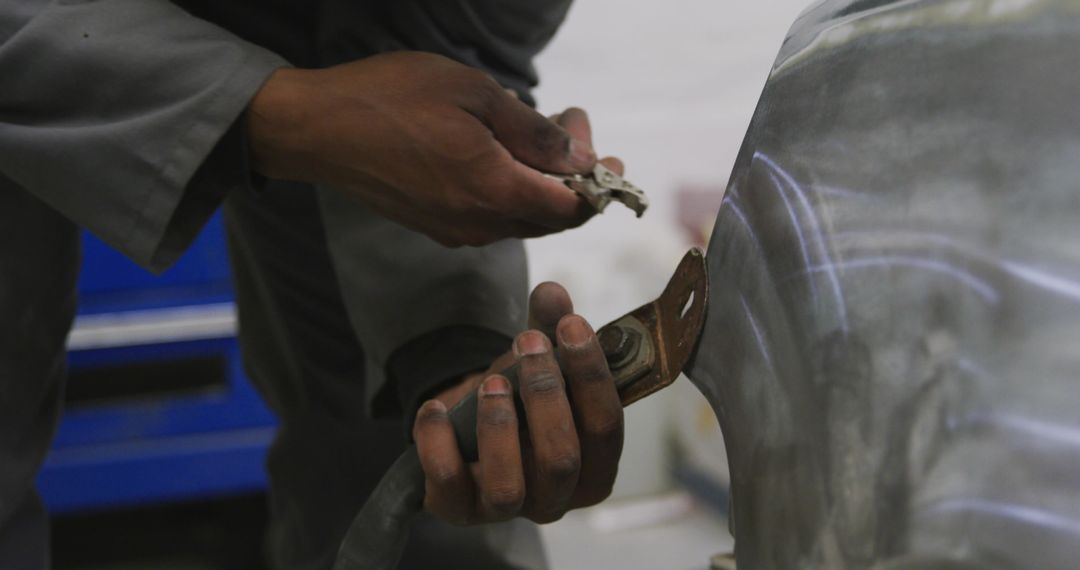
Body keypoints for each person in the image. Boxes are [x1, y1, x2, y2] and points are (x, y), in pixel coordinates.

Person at [0, 1, 627, 568]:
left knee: (418, 462)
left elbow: (443, 46)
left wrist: (449, 346)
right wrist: (284, 115)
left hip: (306, 28)